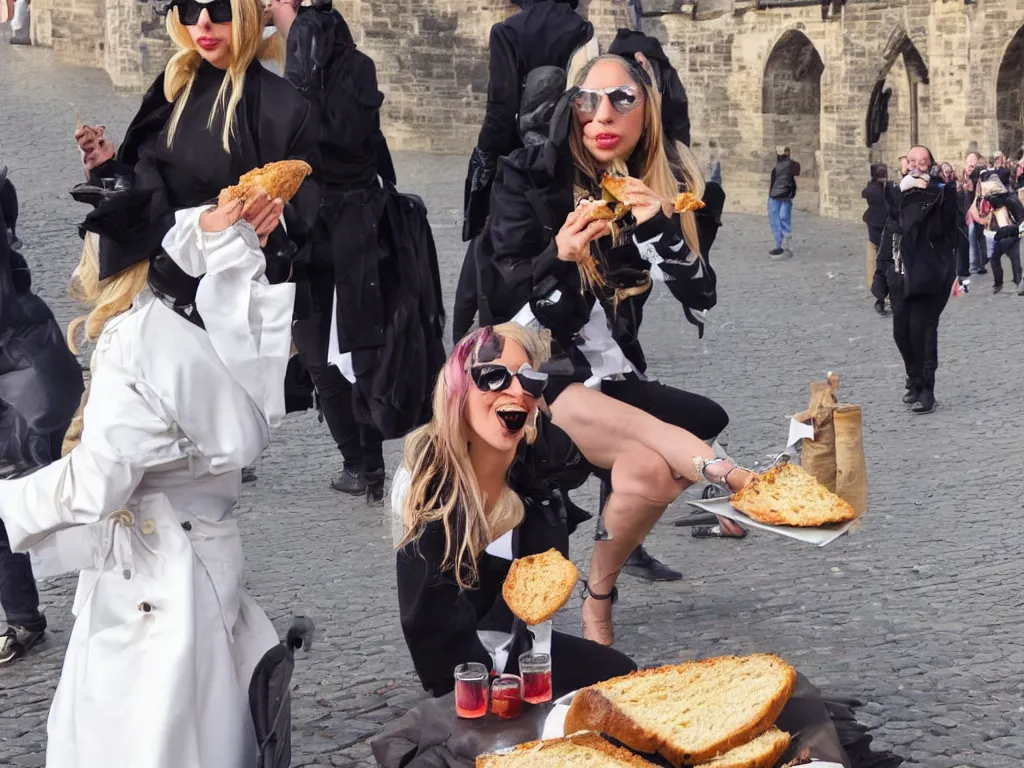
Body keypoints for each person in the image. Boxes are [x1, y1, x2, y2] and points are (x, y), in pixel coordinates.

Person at [472, 54, 756, 644]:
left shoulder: (671, 186)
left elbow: (701, 297)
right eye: (586, 99)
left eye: (622, 99)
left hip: (608, 369)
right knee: (643, 438)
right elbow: (505, 302)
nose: (602, 115)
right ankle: (733, 476)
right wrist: (562, 259)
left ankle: (598, 596)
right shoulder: (528, 174)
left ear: (647, 107)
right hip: (524, 366)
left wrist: (658, 228)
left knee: (653, 474)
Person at [395, 323, 639, 697]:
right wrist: (490, 694)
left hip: (524, 648)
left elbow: (610, 454)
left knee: (624, 678)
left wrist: (708, 468)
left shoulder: (530, 456)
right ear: (457, 390)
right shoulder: (430, 485)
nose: (514, 390)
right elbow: (430, 626)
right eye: (492, 376)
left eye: (528, 380)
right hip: (468, 673)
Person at [269, 0, 395, 501]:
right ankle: (371, 464)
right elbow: (374, 144)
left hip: (316, 232)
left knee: (320, 354)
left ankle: (359, 463)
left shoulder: (295, 95)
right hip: (363, 222)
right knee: (357, 347)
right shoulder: (360, 70)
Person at [0, 203, 84, 666]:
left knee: (34, 496)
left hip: (20, 377)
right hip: (29, 361)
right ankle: (23, 616)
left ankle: (25, 620)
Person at [462, 0, 595, 242]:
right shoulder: (582, 29)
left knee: (514, 243)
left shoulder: (508, 31)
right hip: (568, 153)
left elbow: (501, 107)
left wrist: (485, 157)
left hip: (519, 159)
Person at [874, 145, 957, 415]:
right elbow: (891, 230)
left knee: (924, 331)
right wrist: (881, 272)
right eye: (912, 160)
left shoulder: (939, 193)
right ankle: (914, 378)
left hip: (928, 274)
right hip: (899, 274)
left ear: (929, 164)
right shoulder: (898, 194)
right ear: (905, 164)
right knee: (901, 332)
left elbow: (947, 229)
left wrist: (936, 188)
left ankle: (927, 390)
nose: (917, 165)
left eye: (922, 161)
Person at [976, 169, 1024, 295]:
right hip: (1004, 233)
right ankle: (1008, 283)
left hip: (1008, 232)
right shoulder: (996, 198)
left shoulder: (1007, 199)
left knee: (1004, 258)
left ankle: (1009, 283)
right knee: (1006, 258)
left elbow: (1021, 217)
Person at [862, 163, 894, 313]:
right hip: (883, 229)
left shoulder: (875, 189)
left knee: (878, 263)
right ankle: (884, 295)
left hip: (880, 231)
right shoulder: (886, 188)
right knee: (884, 263)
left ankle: (881, 295)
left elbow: (865, 193)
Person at [767, 145, 799, 259]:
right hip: (778, 195)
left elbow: (795, 170)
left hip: (781, 195)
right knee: (778, 219)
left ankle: (784, 246)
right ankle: (781, 245)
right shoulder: (784, 165)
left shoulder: (789, 165)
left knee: (781, 218)